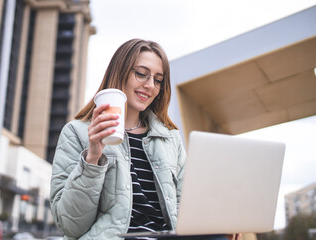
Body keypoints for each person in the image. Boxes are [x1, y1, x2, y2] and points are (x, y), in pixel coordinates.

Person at [49, 39, 240, 240]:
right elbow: (70, 226)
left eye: (158, 80)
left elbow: (185, 210)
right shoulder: (76, 132)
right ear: (119, 72)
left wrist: (219, 224)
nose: (150, 86)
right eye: (141, 74)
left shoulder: (170, 139)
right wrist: (93, 157)